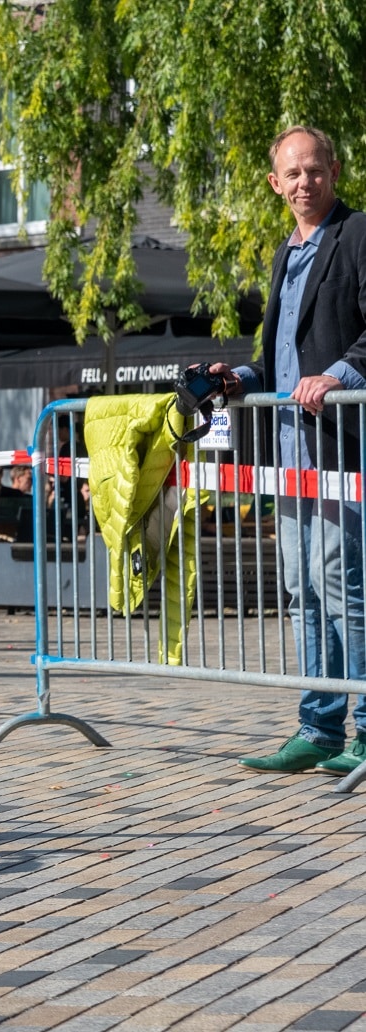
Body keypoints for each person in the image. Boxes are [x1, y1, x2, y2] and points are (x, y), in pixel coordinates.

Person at [211, 126, 366, 776]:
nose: (305, 182)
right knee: (303, 590)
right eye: (292, 174)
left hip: (341, 448)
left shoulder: (357, 234)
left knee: (344, 589)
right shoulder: (286, 254)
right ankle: (319, 727)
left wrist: (340, 374)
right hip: (289, 453)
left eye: (315, 170)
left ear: (334, 171)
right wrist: (238, 381)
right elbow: (278, 357)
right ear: (276, 185)